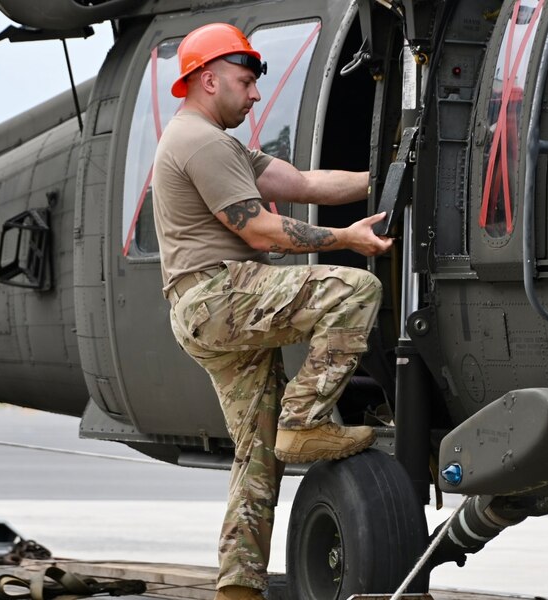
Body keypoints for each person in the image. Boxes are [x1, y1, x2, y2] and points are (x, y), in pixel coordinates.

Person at [152, 22, 393, 600]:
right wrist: (346, 241)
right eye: (244, 81)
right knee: (355, 290)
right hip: (219, 296)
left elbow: (306, 181)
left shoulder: (218, 142)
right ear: (207, 80)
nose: (255, 94)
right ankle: (306, 420)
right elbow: (261, 229)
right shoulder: (202, 142)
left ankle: (239, 587)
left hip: (202, 311)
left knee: (257, 455)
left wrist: (391, 176)